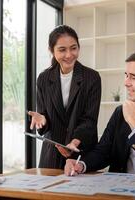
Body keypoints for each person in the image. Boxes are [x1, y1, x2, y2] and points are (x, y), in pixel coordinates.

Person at [28, 25, 101, 169]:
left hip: (81, 154)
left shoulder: (92, 77)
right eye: (62, 50)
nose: (69, 55)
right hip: (51, 157)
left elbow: (89, 120)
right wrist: (42, 120)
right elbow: (44, 117)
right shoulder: (43, 78)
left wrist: (74, 142)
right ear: (52, 51)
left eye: (73, 48)